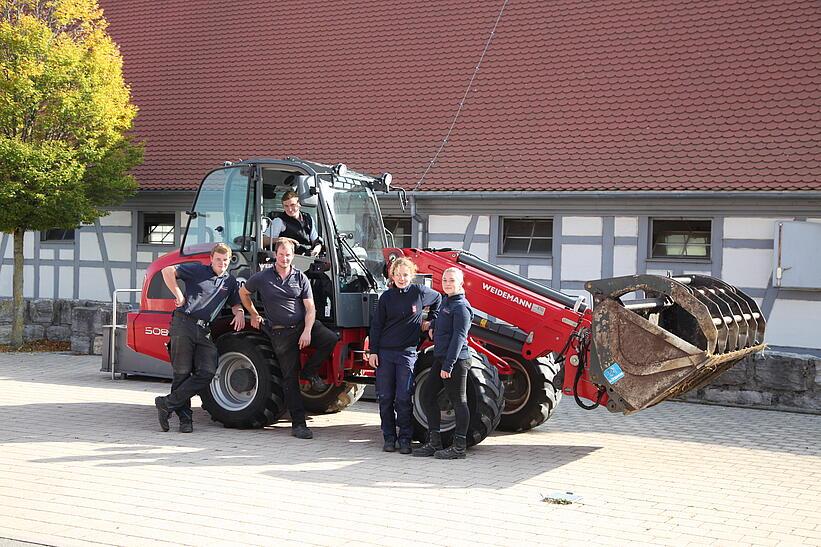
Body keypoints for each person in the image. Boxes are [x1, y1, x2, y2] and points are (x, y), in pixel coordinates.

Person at [239, 238, 338, 439]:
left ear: (293, 256)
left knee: (329, 339)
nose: (285, 258)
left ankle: (309, 372)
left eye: (289, 255)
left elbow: (310, 308)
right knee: (289, 378)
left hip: (302, 325)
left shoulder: (300, 277)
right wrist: (253, 313)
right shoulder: (262, 277)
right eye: (282, 254)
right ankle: (299, 424)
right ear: (276, 254)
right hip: (280, 333)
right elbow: (244, 292)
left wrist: (307, 331)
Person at [155, 243, 245, 433]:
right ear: (211, 259)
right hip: (184, 323)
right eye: (218, 259)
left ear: (229, 262)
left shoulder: (229, 282)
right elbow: (167, 271)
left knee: (207, 371)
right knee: (182, 372)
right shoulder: (197, 270)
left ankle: (166, 403)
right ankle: (185, 420)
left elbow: (236, 303)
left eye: (225, 260)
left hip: (204, 330)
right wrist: (178, 293)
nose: (221, 263)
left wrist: (239, 312)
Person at [368, 257, 441, 454]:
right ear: (392, 275)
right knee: (385, 397)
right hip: (385, 353)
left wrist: (432, 322)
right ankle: (389, 438)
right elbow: (376, 326)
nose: (401, 278)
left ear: (412, 275)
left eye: (405, 275)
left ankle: (406, 439)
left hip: (407, 354)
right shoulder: (386, 297)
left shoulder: (420, 293)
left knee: (403, 397)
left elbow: (439, 299)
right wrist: (373, 351)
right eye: (398, 274)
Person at [414, 267, 473, 459]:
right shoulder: (447, 301)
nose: (448, 283)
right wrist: (433, 326)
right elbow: (442, 320)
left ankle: (459, 447)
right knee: (428, 396)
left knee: (459, 401)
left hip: (456, 361)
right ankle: (434, 442)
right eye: (445, 280)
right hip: (440, 357)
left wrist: (448, 366)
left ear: (460, 283)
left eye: (452, 280)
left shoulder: (461, 306)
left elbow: (459, 337)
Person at [263, 189, 322, 256]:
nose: (290, 209)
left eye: (292, 205)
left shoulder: (308, 218)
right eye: (286, 206)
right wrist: (282, 239)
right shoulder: (279, 221)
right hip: (288, 258)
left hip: (307, 256)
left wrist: (316, 249)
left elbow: (315, 240)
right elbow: (264, 241)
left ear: (299, 204)